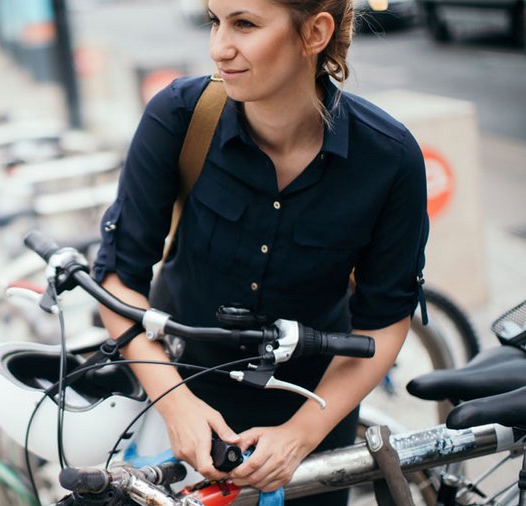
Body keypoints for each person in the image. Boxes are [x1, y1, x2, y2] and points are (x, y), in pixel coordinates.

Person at [92, 0, 429, 504]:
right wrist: (175, 404)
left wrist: (300, 434)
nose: (218, 47)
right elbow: (119, 280)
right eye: (215, 21)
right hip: (178, 403)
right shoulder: (180, 117)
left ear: (314, 33)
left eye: (244, 24)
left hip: (313, 418)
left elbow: (381, 323)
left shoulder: (388, 158)